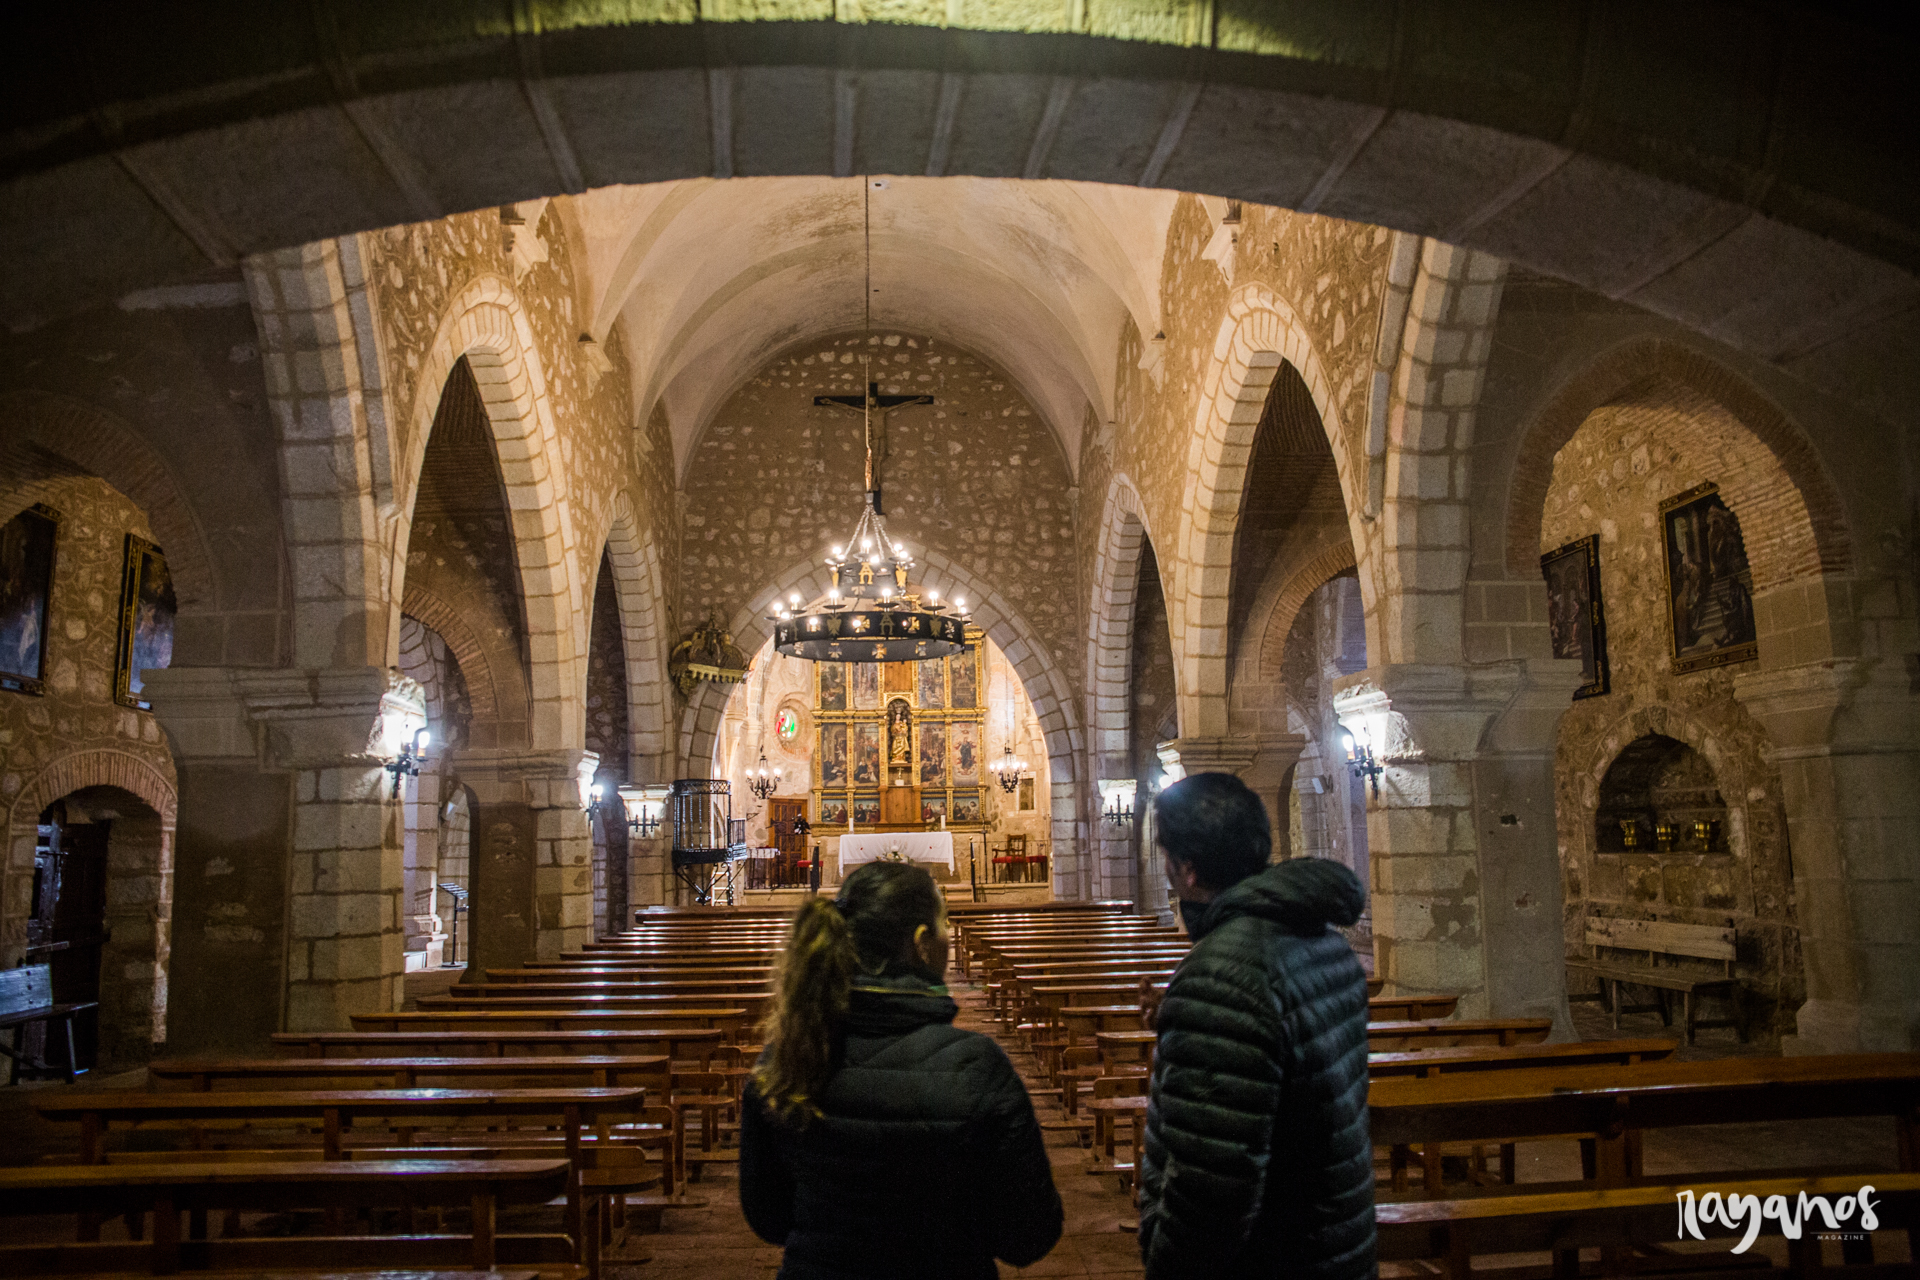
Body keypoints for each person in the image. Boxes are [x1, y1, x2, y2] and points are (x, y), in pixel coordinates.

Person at [740, 861, 1063, 1279]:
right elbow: (1028, 1235)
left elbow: (768, 1217)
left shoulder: (785, 1061)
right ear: (921, 943)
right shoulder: (977, 1069)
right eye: (945, 922)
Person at [1138, 772, 1374, 1280]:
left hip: (1270, 1259)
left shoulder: (1224, 975)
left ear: (1187, 869)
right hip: (1334, 1246)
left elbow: (1211, 1188)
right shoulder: (1326, 944)